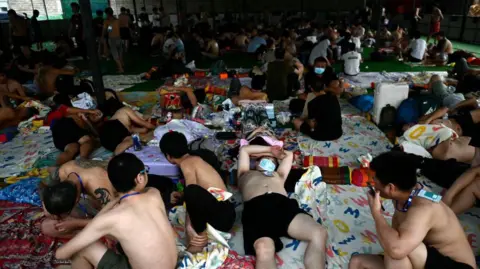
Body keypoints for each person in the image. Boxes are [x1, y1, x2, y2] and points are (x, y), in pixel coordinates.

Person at [348, 151, 476, 269]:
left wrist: (376, 213)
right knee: (357, 261)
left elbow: (396, 250)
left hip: (455, 266)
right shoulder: (405, 192)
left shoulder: (424, 208)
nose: (372, 185)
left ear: (390, 188)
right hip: (426, 258)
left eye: (374, 181)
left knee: (396, 251)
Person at [55, 153, 178, 269]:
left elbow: (60, 254)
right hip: (173, 265)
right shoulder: (153, 193)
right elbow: (129, 196)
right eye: (145, 171)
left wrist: (97, 222)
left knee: (83, 248)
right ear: (140, 178)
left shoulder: (111, 218)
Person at [237, 145, 328, 269]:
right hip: (256, 208)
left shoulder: (279, 175)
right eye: (266, 159)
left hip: (282, 204)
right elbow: (244, 150)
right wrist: (269, 150)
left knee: (319, 232)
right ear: (256, 161)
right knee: (264, 248)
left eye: (273, 161)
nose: (270, 161)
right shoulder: (244, 173)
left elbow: (289, 155)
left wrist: (278, 154)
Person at [159, 131, 235, 253]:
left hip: (222, 218)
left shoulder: (186, 164)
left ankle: (199, 237)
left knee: (191, 193)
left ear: (168, 156)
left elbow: (192, 198)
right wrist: (182, 195)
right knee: (190, 192)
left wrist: (189, 228)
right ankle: (200, 233)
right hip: (227, 210)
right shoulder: (195, 158)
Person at [40, 159, 115, 238]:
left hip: (111, 208)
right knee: (47, 227)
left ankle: (91, 236)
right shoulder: (63, 171)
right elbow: (42, 185)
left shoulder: (99, 188)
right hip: (90, 202)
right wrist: (46, 207)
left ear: (76, 200)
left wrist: (77, 223)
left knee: (115, 232)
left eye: (63, 215)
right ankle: (89, 233)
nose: (58, 218)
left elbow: (114, 219)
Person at [293, 75, 343, 141]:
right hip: (338, 133)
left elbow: (312, 125)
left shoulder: (312, 103)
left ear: (311, 88)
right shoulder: (333, 97)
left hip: (321, 135)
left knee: (296, 121)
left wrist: (304, 120)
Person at [103, 8, 124, 73]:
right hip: (119, 38)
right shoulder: (117, 20)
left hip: (112, 39)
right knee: (120, 54)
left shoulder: (107, 21)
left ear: (107, 14)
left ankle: (121, 69)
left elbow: (108, 31)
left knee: (115, 55)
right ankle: (121, 66)